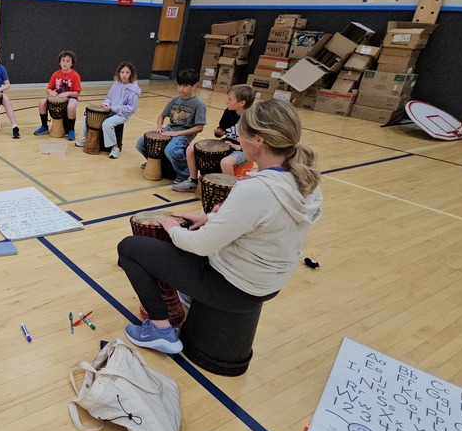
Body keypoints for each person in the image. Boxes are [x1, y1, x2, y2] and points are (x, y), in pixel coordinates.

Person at [117, 99, 322, 354]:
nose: (239, 137)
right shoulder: (303, 180)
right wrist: (211, 219)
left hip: (235, 288)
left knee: (130, 248)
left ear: (258, 139)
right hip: (267, 284)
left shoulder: (256, 189)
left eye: (242, 130)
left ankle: (160, 330)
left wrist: (172, 229)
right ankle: (189, 295)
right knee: (196, 227)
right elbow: (261, 225)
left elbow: (201, 245)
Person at [172, 83, 255, 192]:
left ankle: (231, 190)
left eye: (230, 99)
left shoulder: (252, 118)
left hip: (244, 151)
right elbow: (222, 129)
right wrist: (219, 132)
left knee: (226, 162)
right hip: (226, 145)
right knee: (191, 149)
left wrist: (239, 146)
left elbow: (256, 141)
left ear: (242, 103)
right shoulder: (228, 111)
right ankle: (193, 181)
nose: (227, 102)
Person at [135, 69, 205, 183]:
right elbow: (161, 116)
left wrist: (176, 133)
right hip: (168, 130)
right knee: (141, 143)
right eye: (179, 85)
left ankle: (184, 174)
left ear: (194, 86)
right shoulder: (175, 100)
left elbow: (199, 128)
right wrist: (159, 127)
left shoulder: (199, 104)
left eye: (185, 85)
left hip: (183, 135)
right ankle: (154, 161)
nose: (181, 88)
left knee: (171, 150)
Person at [74, 61, 141, 159]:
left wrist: (114, 108)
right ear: (119, 73)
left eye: (127, 72)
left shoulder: (133, 90)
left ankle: (115, 147)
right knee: (86, 116)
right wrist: (106, 103)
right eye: (122, 72)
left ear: (131, 74)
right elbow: (109, 97)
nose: (124, 75)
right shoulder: (117, 83)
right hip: (111, 110)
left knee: (107, 124)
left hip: (123, 115)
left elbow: (130, 109)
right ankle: (87, 139)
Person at [33, 50, 82, 140]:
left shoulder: (75, 75)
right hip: (57, 97)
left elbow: (77, 92)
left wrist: (68, 93)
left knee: (71, 106)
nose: (65, 63)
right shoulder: (56, 74)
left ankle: (71, 129)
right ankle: (44, 126)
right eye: (63, 60)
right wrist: (51, 92)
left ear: (72, 63)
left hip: (71, 98)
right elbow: (48, 89)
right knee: (42, 102)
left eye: (68, 61)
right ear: (60, 62)